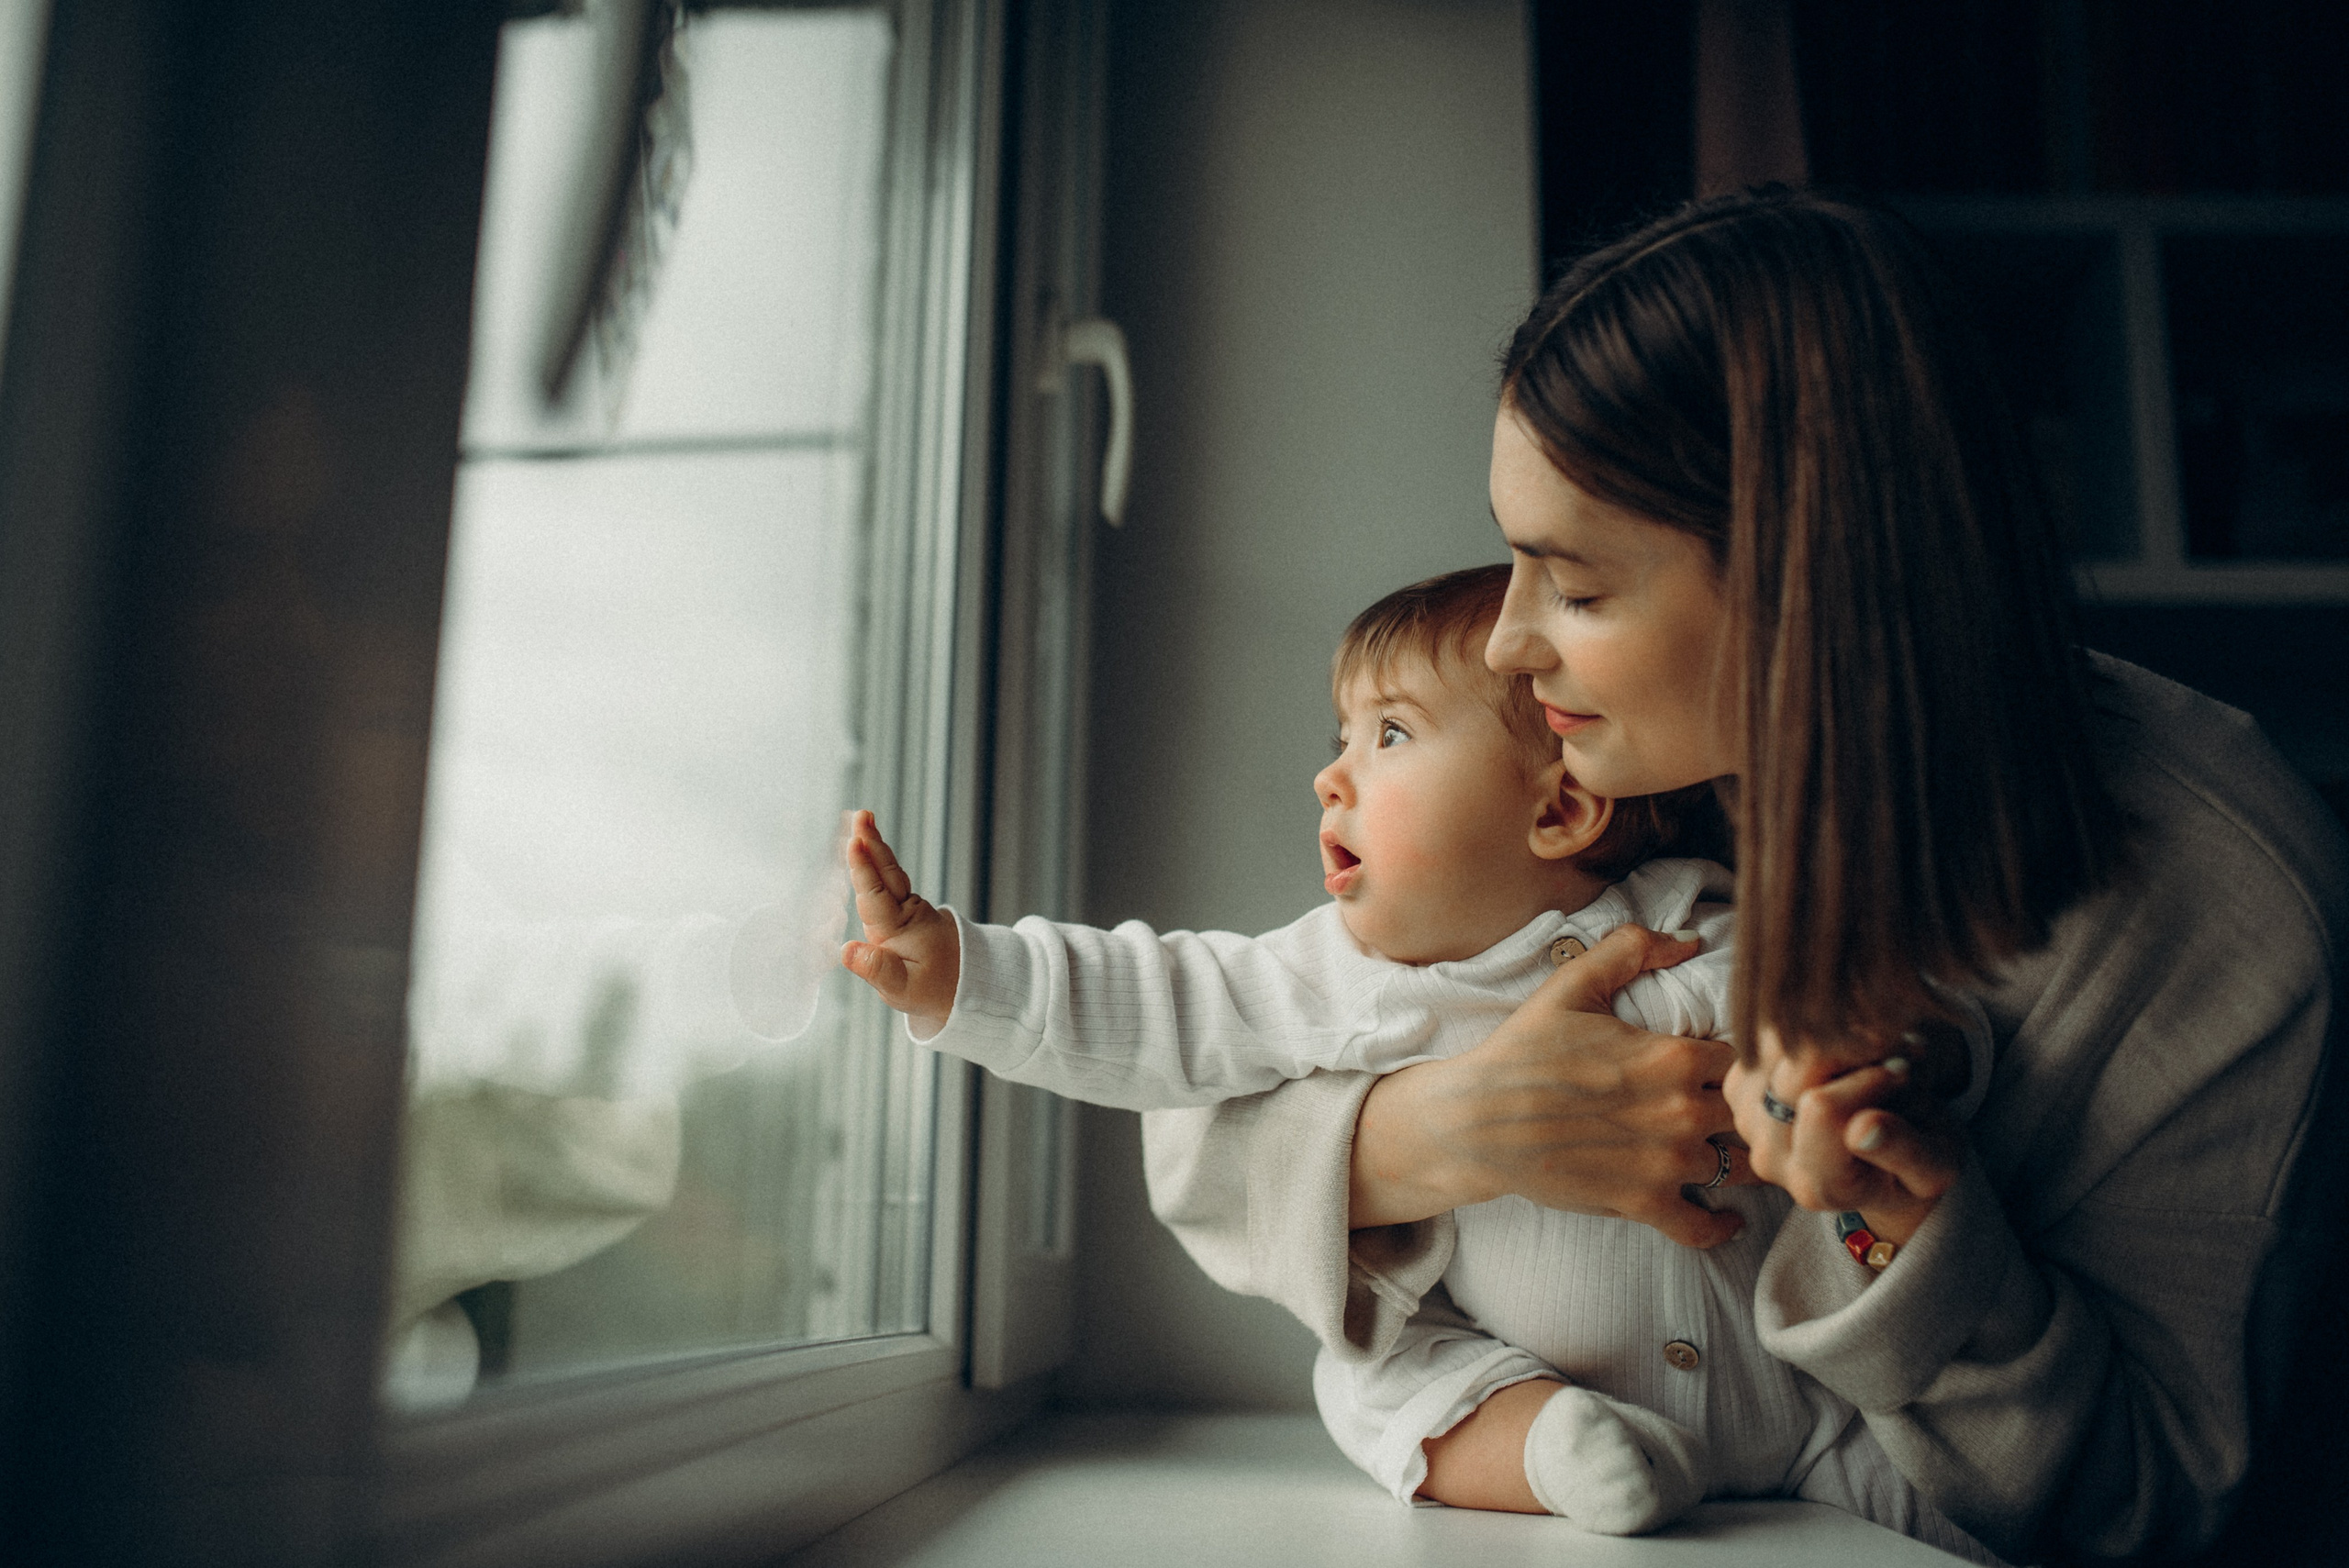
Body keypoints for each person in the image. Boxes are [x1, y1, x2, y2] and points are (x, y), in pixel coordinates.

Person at [1141, 188, 2348, 1566]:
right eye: (1516, 560)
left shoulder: (2231, 917)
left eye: (1576, 587)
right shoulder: (1609, 775)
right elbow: (1200, 1117)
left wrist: (1907, 1227)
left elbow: (2146, 1515)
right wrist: (1459, 1125)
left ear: (1803, 580)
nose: (1509, 645)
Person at [840, 565, 1998, 1557]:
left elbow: (1876, 1009)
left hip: (1802, 1413)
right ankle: (1551, 1452)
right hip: (1534, 1373)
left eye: (1388, 733)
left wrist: (1851, 1062)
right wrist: (962, 972)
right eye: (1339, 737)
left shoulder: (1697, 923)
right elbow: (1158, 995)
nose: (1331, 775)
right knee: (1382, 1374)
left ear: (1559, 808)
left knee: (1950, 1511)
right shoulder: (1337, 968)